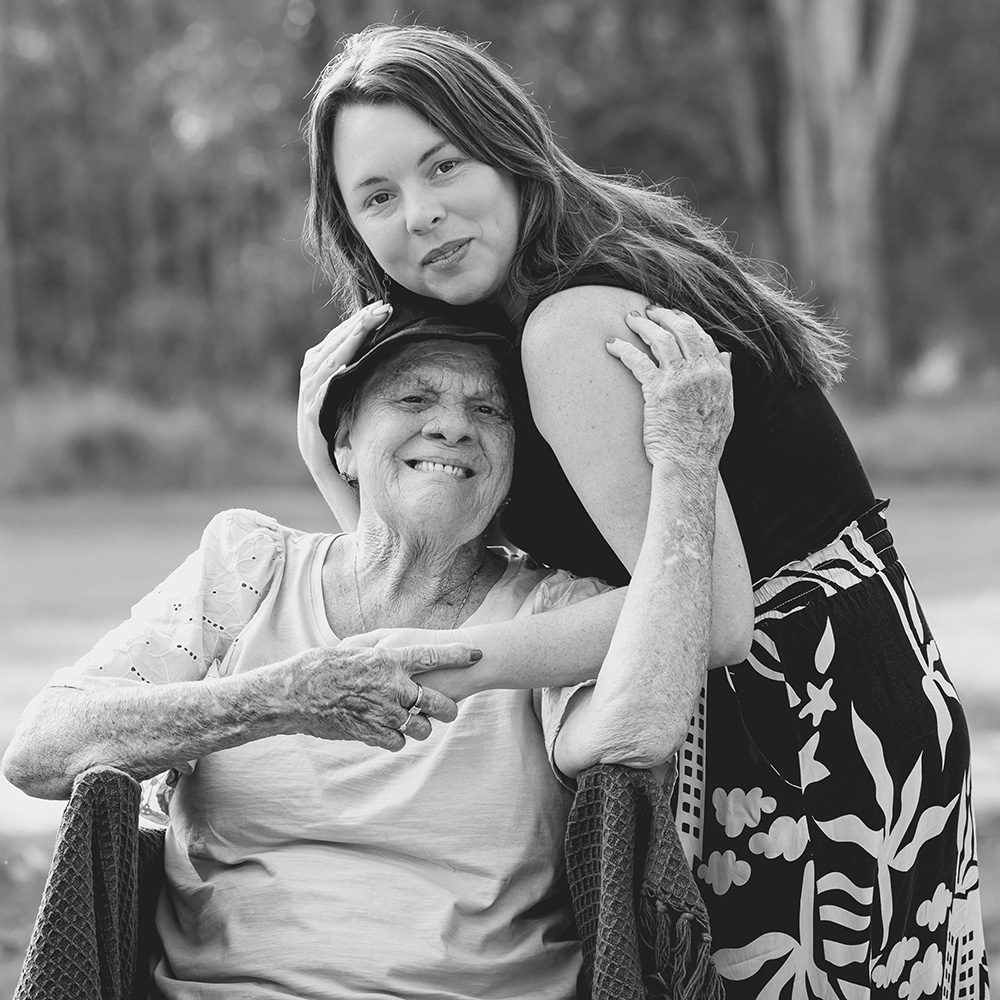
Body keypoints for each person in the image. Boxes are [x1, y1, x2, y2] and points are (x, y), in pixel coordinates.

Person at [295, 23, 990, 1000]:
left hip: (788, 725)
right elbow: (467, 568)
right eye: (378, 196)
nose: (421, 214)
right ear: (351, 227)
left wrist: (434, 667)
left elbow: (706, 614)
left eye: (442, 166)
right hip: (867, 693)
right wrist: (332, 470)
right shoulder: (589, 254)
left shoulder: (566, 328)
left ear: (505, 145)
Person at [3, 293, 735, 999]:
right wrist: (283, 700)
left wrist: (686, 463)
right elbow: (39, 749)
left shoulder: (553, 612)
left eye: (489, 410)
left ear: (514, 467)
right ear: (345, 443)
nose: (453, 426)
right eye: (413, 400)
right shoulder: (250, 566)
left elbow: (641, 724)